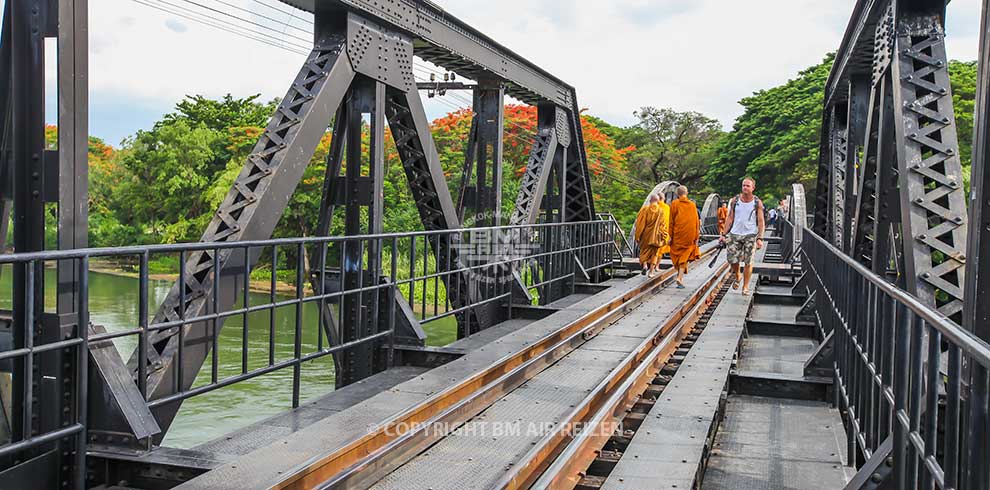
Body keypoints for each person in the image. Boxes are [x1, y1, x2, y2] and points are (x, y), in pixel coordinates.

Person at [720, 177, 766, 295]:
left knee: (748, 261)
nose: (745, 187)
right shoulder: (735, 200)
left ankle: (745, 287)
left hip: (750, 235)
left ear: (753, 188)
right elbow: (730, 218)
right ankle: (737, 275)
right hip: (735, 233)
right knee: (732, 259)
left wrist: (760, 238)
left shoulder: (757, 202)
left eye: (747, 186)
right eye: (743, 185)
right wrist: (723, 234)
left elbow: (761, 221)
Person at [668, 186, 701, 288]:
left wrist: (670, 235)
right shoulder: (692, 205)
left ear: (678, 194)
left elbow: (671, 221)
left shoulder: (674, 204)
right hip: (689, 234)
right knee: (685, 256)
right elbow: (696, 222)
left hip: (678, 234)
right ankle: (680, 278)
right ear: (686, 193)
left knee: (678, 255)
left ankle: (680, 277)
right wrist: (696, 236)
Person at [634, 194, 669, 277]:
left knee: (643, 251)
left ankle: (645, 265)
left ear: (650, 200)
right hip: (655, 236)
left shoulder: (644, 210)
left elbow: (640, 224)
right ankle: (651, 272)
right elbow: (663, 225)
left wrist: (637, 235)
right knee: (654, 254)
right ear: (658, 201)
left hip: (645, 236)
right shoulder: (661, 211)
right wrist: (664, 236)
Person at [657, 193, 672, 259]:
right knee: (661, 250)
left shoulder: (652, 207)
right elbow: (669, 221)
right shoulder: (666, 208)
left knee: (654, 249)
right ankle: (657, 266)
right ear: (664, 198)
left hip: (653, 232)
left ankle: (648, 265)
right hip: (664, 231)